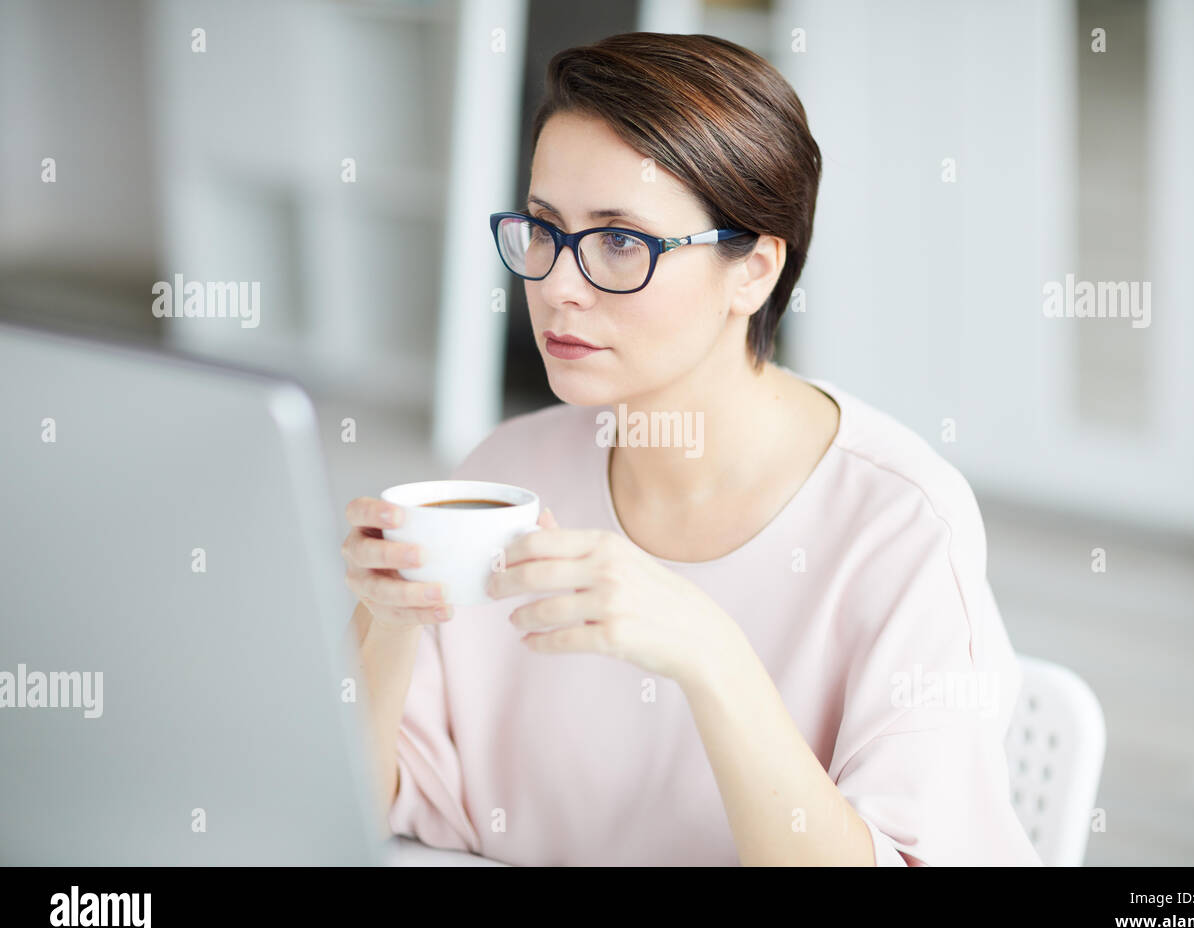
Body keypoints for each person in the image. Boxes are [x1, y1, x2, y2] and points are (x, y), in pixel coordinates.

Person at [341, 32, 1041, 866]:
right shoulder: (501, 477)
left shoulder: (899, 523)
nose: (557, 285)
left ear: (754, 272)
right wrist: (385, 624)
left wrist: (708, 654)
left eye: (622, 242)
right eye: (543, 227)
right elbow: (358, 802)